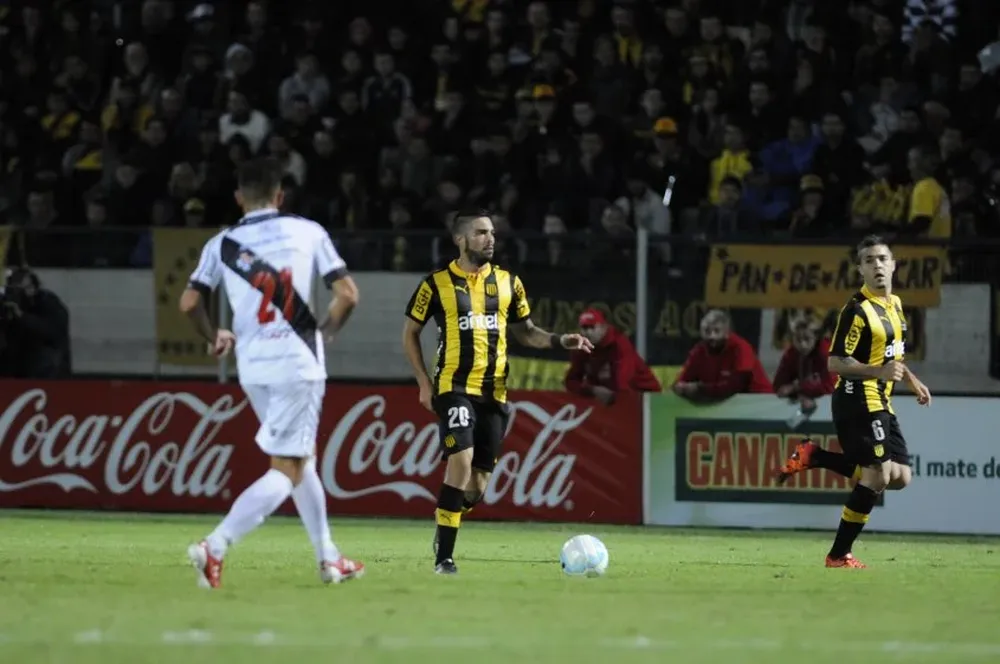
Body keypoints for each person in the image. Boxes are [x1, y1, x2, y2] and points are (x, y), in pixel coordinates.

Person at [179, 158, 364, 588]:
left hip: (253, 366)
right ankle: (216, 545)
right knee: (288, 467)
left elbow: (189, 303)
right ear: (280, 196)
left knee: (302, 461)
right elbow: (348, 295)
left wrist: (214, 334)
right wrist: (326, 332)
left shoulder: (221, 243)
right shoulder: (308, 231)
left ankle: (328, 558)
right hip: (297, 363)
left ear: (239, 198)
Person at [401, 209, 593, 575]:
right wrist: (424, 382)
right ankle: (445, 557)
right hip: (453, 387)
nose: (490, 239)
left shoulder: (508, 283)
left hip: (495, 392)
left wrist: (560, 340)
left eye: (491, 233)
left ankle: (448, 517)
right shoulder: (435, 284)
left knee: (477, 484)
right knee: (460, 459)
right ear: (460, 239)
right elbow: (409, 332)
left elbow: (527, 332)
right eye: (480, 233)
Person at [776, 235, 932, 568]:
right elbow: (835, 363)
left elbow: (893, 357)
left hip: (882, 400)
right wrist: (879, 370)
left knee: (901, 477)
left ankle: (814, 455)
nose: (877, 265)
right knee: (876, 477)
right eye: (869, 260)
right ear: (859, 268)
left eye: (882, 259)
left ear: (893, 265)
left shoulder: (897, 305)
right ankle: (838, 554)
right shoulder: (856, 310)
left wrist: (911, 379)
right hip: (856, 399)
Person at [564, 308, 662, 405]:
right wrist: (592, 390)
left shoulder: (619, 344)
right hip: (607, 398)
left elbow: (623, 383)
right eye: (584, 328)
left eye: (592, 327)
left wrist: (608, 396)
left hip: (644, 397)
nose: (588, 332)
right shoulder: (580, 348)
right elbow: (571, 382)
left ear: (604, 327)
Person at [672, 309, 772, 400]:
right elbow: (680, 383)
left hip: (759, 402)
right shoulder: (698, 351)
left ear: (726, 332)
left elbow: (736, 386)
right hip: (724, 406)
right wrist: (681, 388)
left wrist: (700, 388)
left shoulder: (741, 348)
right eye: (707, 331)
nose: (712, 336)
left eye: (716, 331)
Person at [772, 320, 836, 409]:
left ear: (816, 337)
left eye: (807, 339)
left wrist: (797, 387)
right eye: (798, 339)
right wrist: (801, 395)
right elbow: (778, 386)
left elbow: (830, 387)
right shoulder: (791, 353)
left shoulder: (826, 352)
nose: (802, 344)